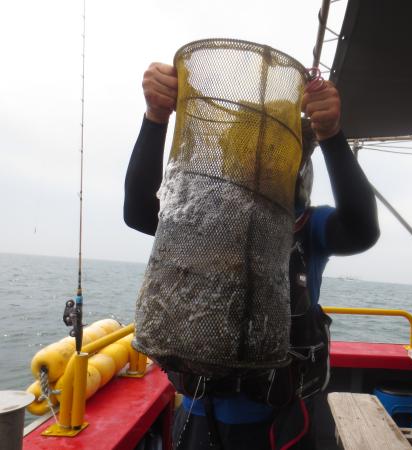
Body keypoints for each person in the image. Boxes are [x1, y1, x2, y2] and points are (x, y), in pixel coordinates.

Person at [124, 62, 380, 449]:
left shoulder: (308, 226)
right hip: (198, 413)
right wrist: (156, 118)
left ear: (294, 162)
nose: (259, 161)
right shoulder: (199, 215)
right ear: (229, 157)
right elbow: (138, 211)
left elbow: (362, 229)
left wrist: (331, 135)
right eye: (247, 149)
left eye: (273, 151)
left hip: (278, 424)